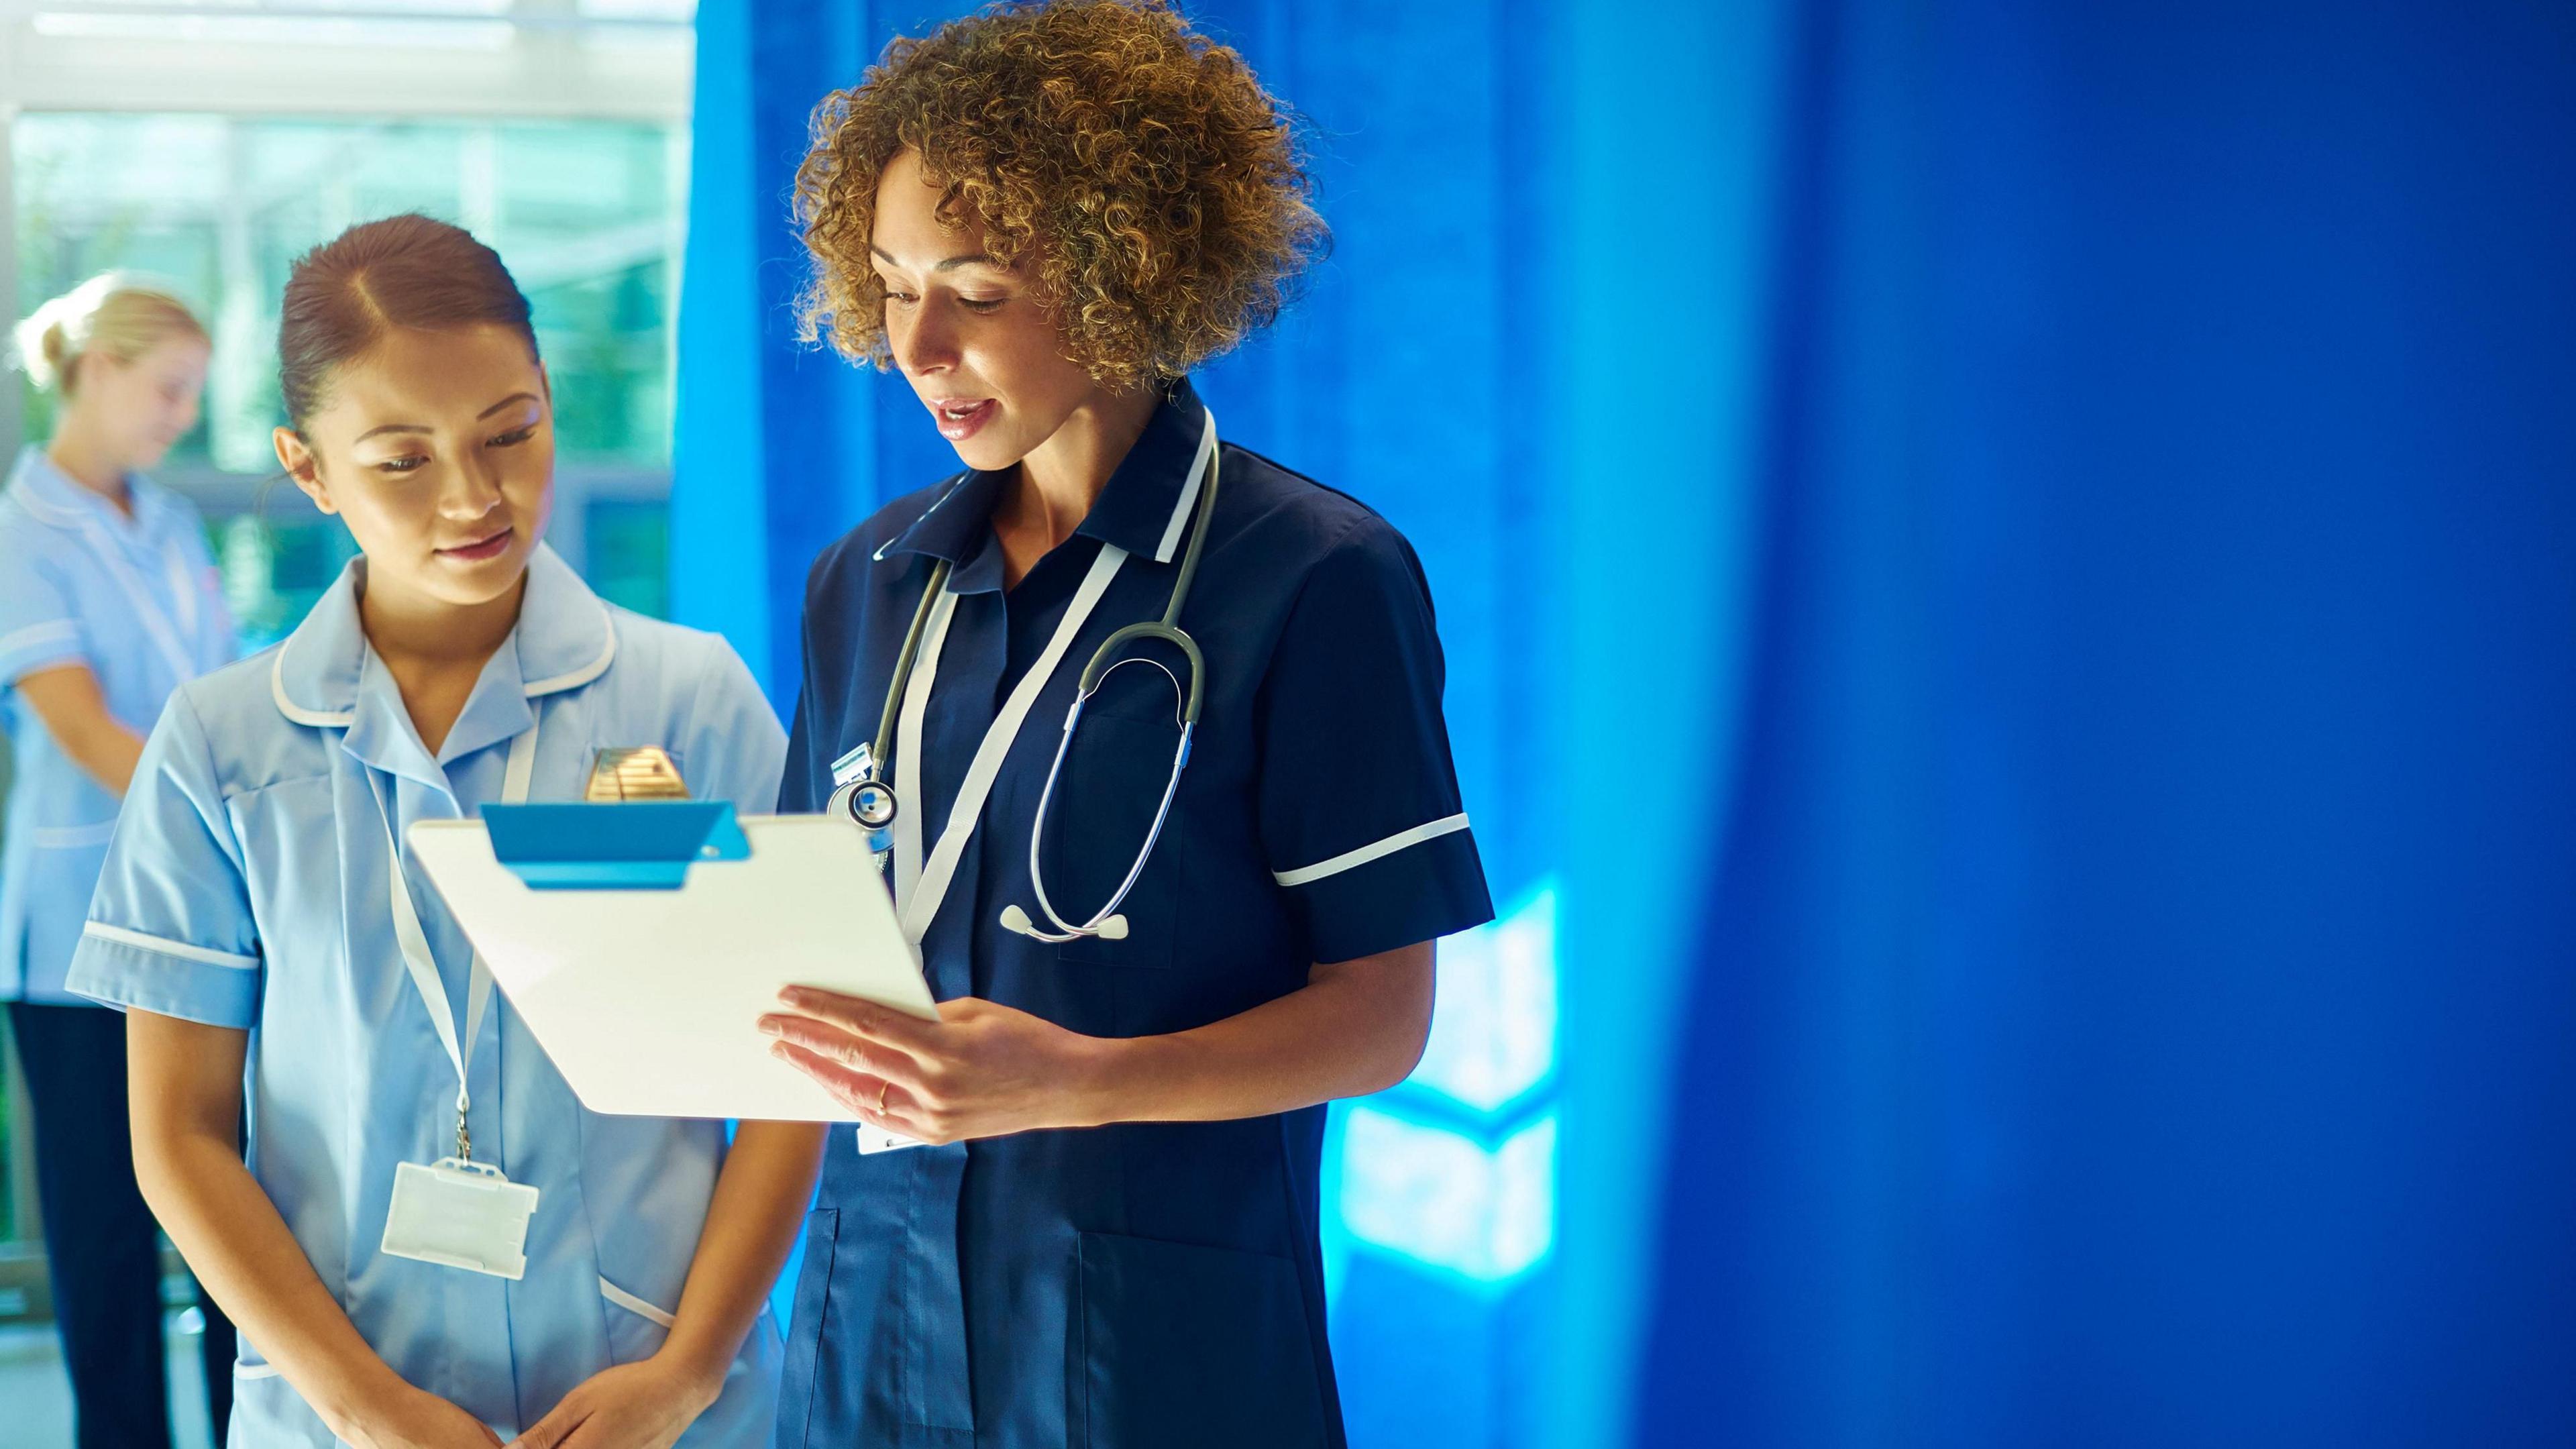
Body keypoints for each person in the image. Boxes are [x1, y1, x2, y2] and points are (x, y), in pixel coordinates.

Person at [755, 3, 1495, 1445]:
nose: (917, 342)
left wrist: (1084, 1082)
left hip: (1151, 1341)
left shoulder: (1314, 574)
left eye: (974, 285)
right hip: (870, 1321)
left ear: (1120, 274)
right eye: (894, 283)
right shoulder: (869, 575)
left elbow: (1382, 1019)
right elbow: (818, 926)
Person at [64, 215, 825, 1448]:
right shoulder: (219, 746)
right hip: (342, 1408)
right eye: (402, 461)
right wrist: (368, 1412)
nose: (476, 498)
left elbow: (789, 1078)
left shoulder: (683, 704)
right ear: (308, 470)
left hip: (657, 1397)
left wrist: (687, 1372)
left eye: (510, 434)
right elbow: (180, 1132)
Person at [1, 273, 239, 1449]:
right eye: (168, 389)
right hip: (77, 929)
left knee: (229, 1225)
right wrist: (237, 812)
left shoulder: (177, 524)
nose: (182, 415)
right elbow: (89, 731)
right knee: (103, 1236)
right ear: (94, 372)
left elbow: (220, 695)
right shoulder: (19, 533)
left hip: (199, 914)